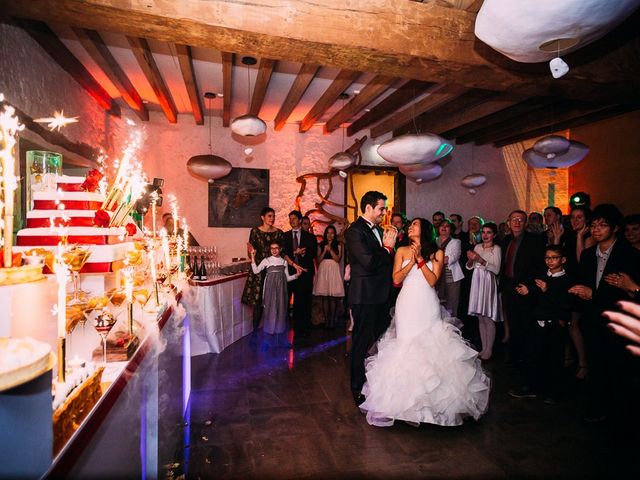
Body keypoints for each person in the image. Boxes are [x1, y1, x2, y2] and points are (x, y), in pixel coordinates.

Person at [359, 218, 490, 427]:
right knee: (406, 345)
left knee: (431, 344)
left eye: (415, 225)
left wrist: (420, 259)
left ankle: (433, 407)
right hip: (407, 303)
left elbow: (432, 280)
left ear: (425, 230)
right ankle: (405, 405)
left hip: (427, 303)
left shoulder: (436, 253)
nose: (410, 227)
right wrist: (411, 260)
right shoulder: (401, 250)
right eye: (410, 225)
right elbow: (396, 280)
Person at [569, 204, 640, 421]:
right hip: (593, 320)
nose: (597, 229)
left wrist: (631, 288)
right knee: (596, 367)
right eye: (594, 225)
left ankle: (618, 415)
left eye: (603, 225)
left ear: (615, 228)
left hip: (619, 323)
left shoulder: (630, 254)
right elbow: (584, 283)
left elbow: (629, 294)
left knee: (618, 370)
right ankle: (596, 409)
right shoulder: (589, 254)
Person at [344, 191, 397, 406]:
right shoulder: (354, 231)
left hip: (380, 295)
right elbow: (369, 262)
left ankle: (376, 381)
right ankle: (357, 387)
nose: (384, 213)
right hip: (364, 296)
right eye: (381, 209)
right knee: (360, 342)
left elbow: (384, 262)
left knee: (381, 340)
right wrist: (387, 248)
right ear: (367, 208)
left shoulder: (378, 230)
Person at [512, 245, 575, 403]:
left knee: (554, 359)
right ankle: (533, 387)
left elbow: (565, 304)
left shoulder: (567, 279)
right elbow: (535, 300)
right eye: (547, 258)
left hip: (555, 324)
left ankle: (554, 392)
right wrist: (528, 292)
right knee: (533, 355)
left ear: (563, 260)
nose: (550, 261)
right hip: (538, 321)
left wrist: (547, 290)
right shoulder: (541, 275)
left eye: (554, 257)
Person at [501, 210, 546, 383]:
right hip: (509, 287)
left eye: (521, 220)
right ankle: (515, 360)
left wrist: (530, 286)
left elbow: (539, 268)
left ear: (525, 223)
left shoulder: (534, 241)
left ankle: (527, 367)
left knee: (526, 327)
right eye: (514, 219)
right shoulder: (506, 240)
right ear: (508, 222)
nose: (517, 222)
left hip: (525, 288)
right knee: (513, 325)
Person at [242, 207, 287, 331]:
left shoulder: (279, 233)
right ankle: (256, 332)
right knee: (258, 303)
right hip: (260, 271)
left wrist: (291, 264)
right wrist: (252, 253)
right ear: (262, 217)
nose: (272, 218)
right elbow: (250, 253)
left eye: (273, 216)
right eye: (269, 216)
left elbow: (283, 253)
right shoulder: (255, 232)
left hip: (273, 271)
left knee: (275, 300)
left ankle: (275, 330)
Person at [250, 242, 300, 347]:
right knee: (270, 311)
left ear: (280, 249)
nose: (274, 250)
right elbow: (255, 271)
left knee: (281, 311)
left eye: (276, 248)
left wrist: (296, 275)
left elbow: (286, 278)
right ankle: (268, 340)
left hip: (281, 290)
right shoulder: (267, 261)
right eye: (272, 248)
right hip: (270, 290)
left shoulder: (283, 262)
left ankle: (281, 340)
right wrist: (253, 257)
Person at [466, 222, 502, 361]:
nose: (485, 235)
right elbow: (469, 267)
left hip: (488, 281)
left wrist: (480, 259)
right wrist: (470, 260)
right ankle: (483, 348)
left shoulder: (496, 249)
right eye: (484, 232)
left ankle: (489, 349)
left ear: (494, 234)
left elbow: (497, 269)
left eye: (488, 232)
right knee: (480, 316)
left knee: (487, 316)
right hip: (477, 280)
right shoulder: (477, 246)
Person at [283, 210, 317, 337]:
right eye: (290, 218)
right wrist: (294, 252)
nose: (292, 221)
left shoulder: (309, 237)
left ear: (300, 220)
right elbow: (283, 253)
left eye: (294, 218)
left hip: (304, 273)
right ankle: (285, 327)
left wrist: (303, 253)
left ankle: (302, 328)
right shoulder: (285, 236)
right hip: (289, 272)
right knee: (286, 299)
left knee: (302, 301)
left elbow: (313, 253)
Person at [313, 225, 345, 328]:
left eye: (332, 233)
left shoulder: (339, 245)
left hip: (333, 269)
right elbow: (318, 260)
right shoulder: (320, 245)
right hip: (323, 269)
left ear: (334, 234)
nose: (330, 235)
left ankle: (332, 321)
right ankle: (326, 321)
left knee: (333, 297)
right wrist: (324, 251)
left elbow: (337, 259)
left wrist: (330, 250)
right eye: (328, 233)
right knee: (325, 297)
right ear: (325, 234)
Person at [436, 219, 464, 317]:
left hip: (452, 278)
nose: (444, 228)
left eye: (447, 226)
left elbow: (452, 258)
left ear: (451, 229)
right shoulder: (434, 241)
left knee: (452, 307)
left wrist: (435, 258)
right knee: (437, 307)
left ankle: (453, 330)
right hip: (436, 277)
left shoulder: (456, 242)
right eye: (442, 226)